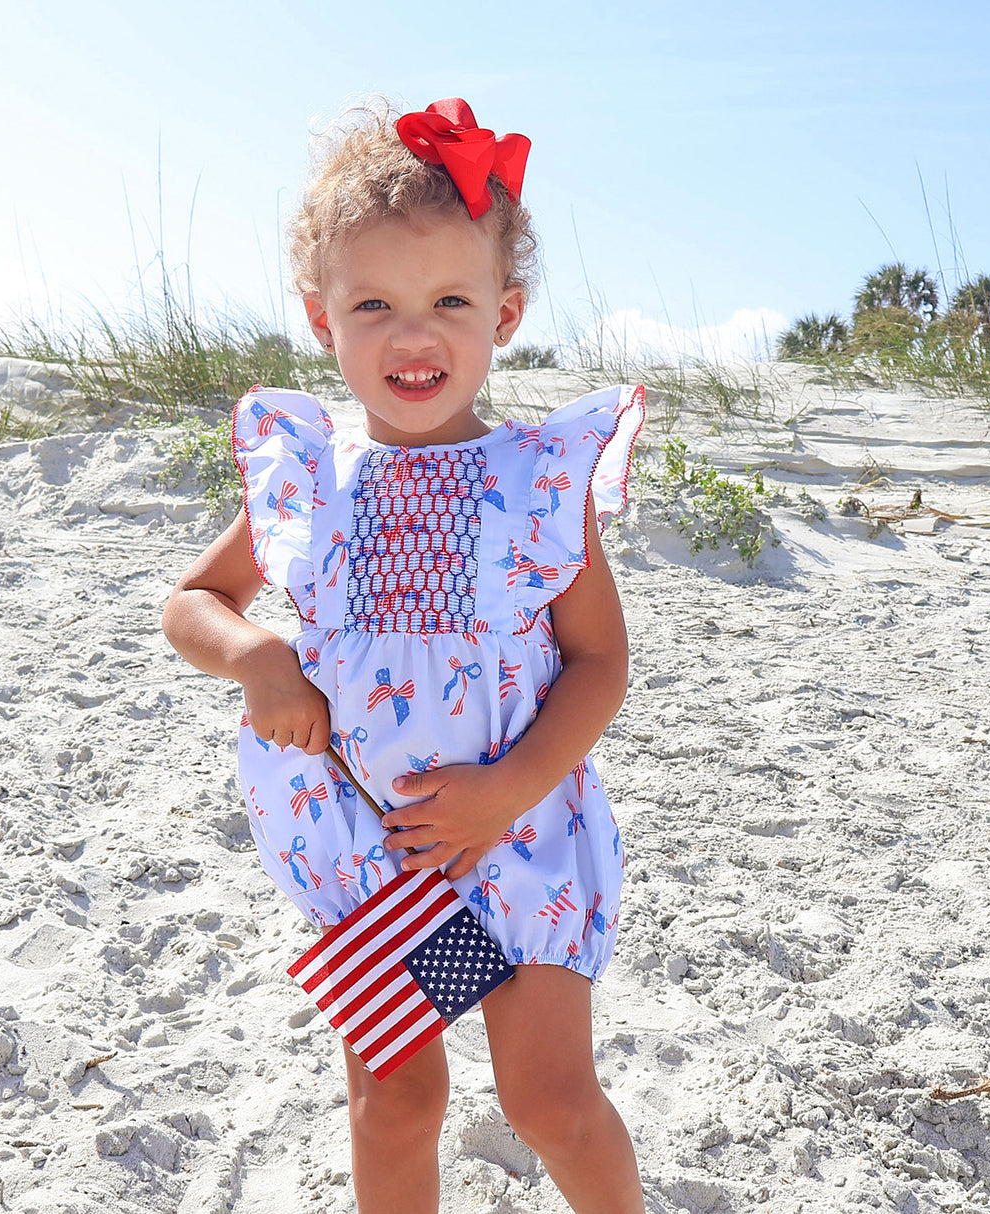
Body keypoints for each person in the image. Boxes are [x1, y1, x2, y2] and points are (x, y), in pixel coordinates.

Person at [162, 97, 647, 1214]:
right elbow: (193, 600)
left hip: (517, 831)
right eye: (371, 302)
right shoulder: (309, 473)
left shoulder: (536, 484)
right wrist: (257, 660)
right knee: (395, 1099)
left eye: (448, 301)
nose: (410, 335)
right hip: (372, 846)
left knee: (550, 1101)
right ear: (320, 315)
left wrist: (505, 792)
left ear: (503, 314)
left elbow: (598, 663)